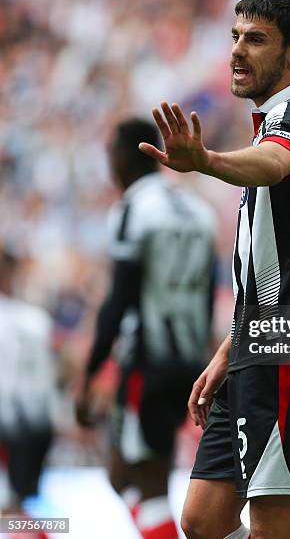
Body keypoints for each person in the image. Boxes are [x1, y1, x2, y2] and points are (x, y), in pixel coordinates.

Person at [139, 0, 290, 539]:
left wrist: (204, 161)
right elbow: (269, 260)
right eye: (235, 36)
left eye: (255, 40)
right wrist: (230, 347)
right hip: (257, 341)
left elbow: (276, 163)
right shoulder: (270, 123)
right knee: (204, 521)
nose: (237, 51)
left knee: (275, 524)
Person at [76, 118, 217, 539]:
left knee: (145, 480)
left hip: (148, 363)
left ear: (123, 156)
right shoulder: (198, 211)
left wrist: (89, 374)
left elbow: (119, 299)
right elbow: (209, 295)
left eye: (110, 157)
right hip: (189, 360)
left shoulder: (133, 209)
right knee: (123, 475)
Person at [0, 248, 54, 539]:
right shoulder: (37, 320)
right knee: (16, 509)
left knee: (7, 510)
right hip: (36, 426)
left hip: (7, 423)